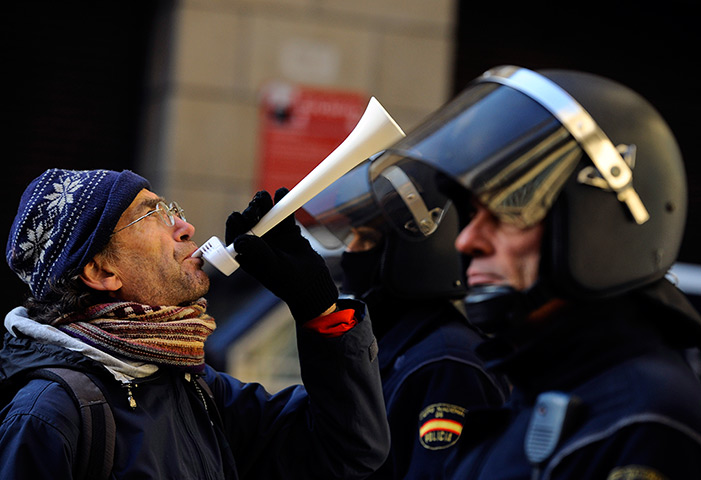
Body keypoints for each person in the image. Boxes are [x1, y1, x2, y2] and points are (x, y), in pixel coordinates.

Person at [363, 66, 701, 478]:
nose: (467, 241)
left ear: (598, 227)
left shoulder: (646, 425)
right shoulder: (535, 391)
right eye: (471, 214)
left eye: (509, 214)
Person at [0, 169, 390, 479]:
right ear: (101, 271)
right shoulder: (49, 416)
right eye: (152, 215)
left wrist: (318, 309)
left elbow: (349, 450)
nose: (184, 226)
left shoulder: (194, 389)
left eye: (171, 208)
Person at [298, 159, 510, 479]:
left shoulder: (446, 364)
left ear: (418, 256)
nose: (350, 252)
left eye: (366, 239)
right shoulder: (391, 344)